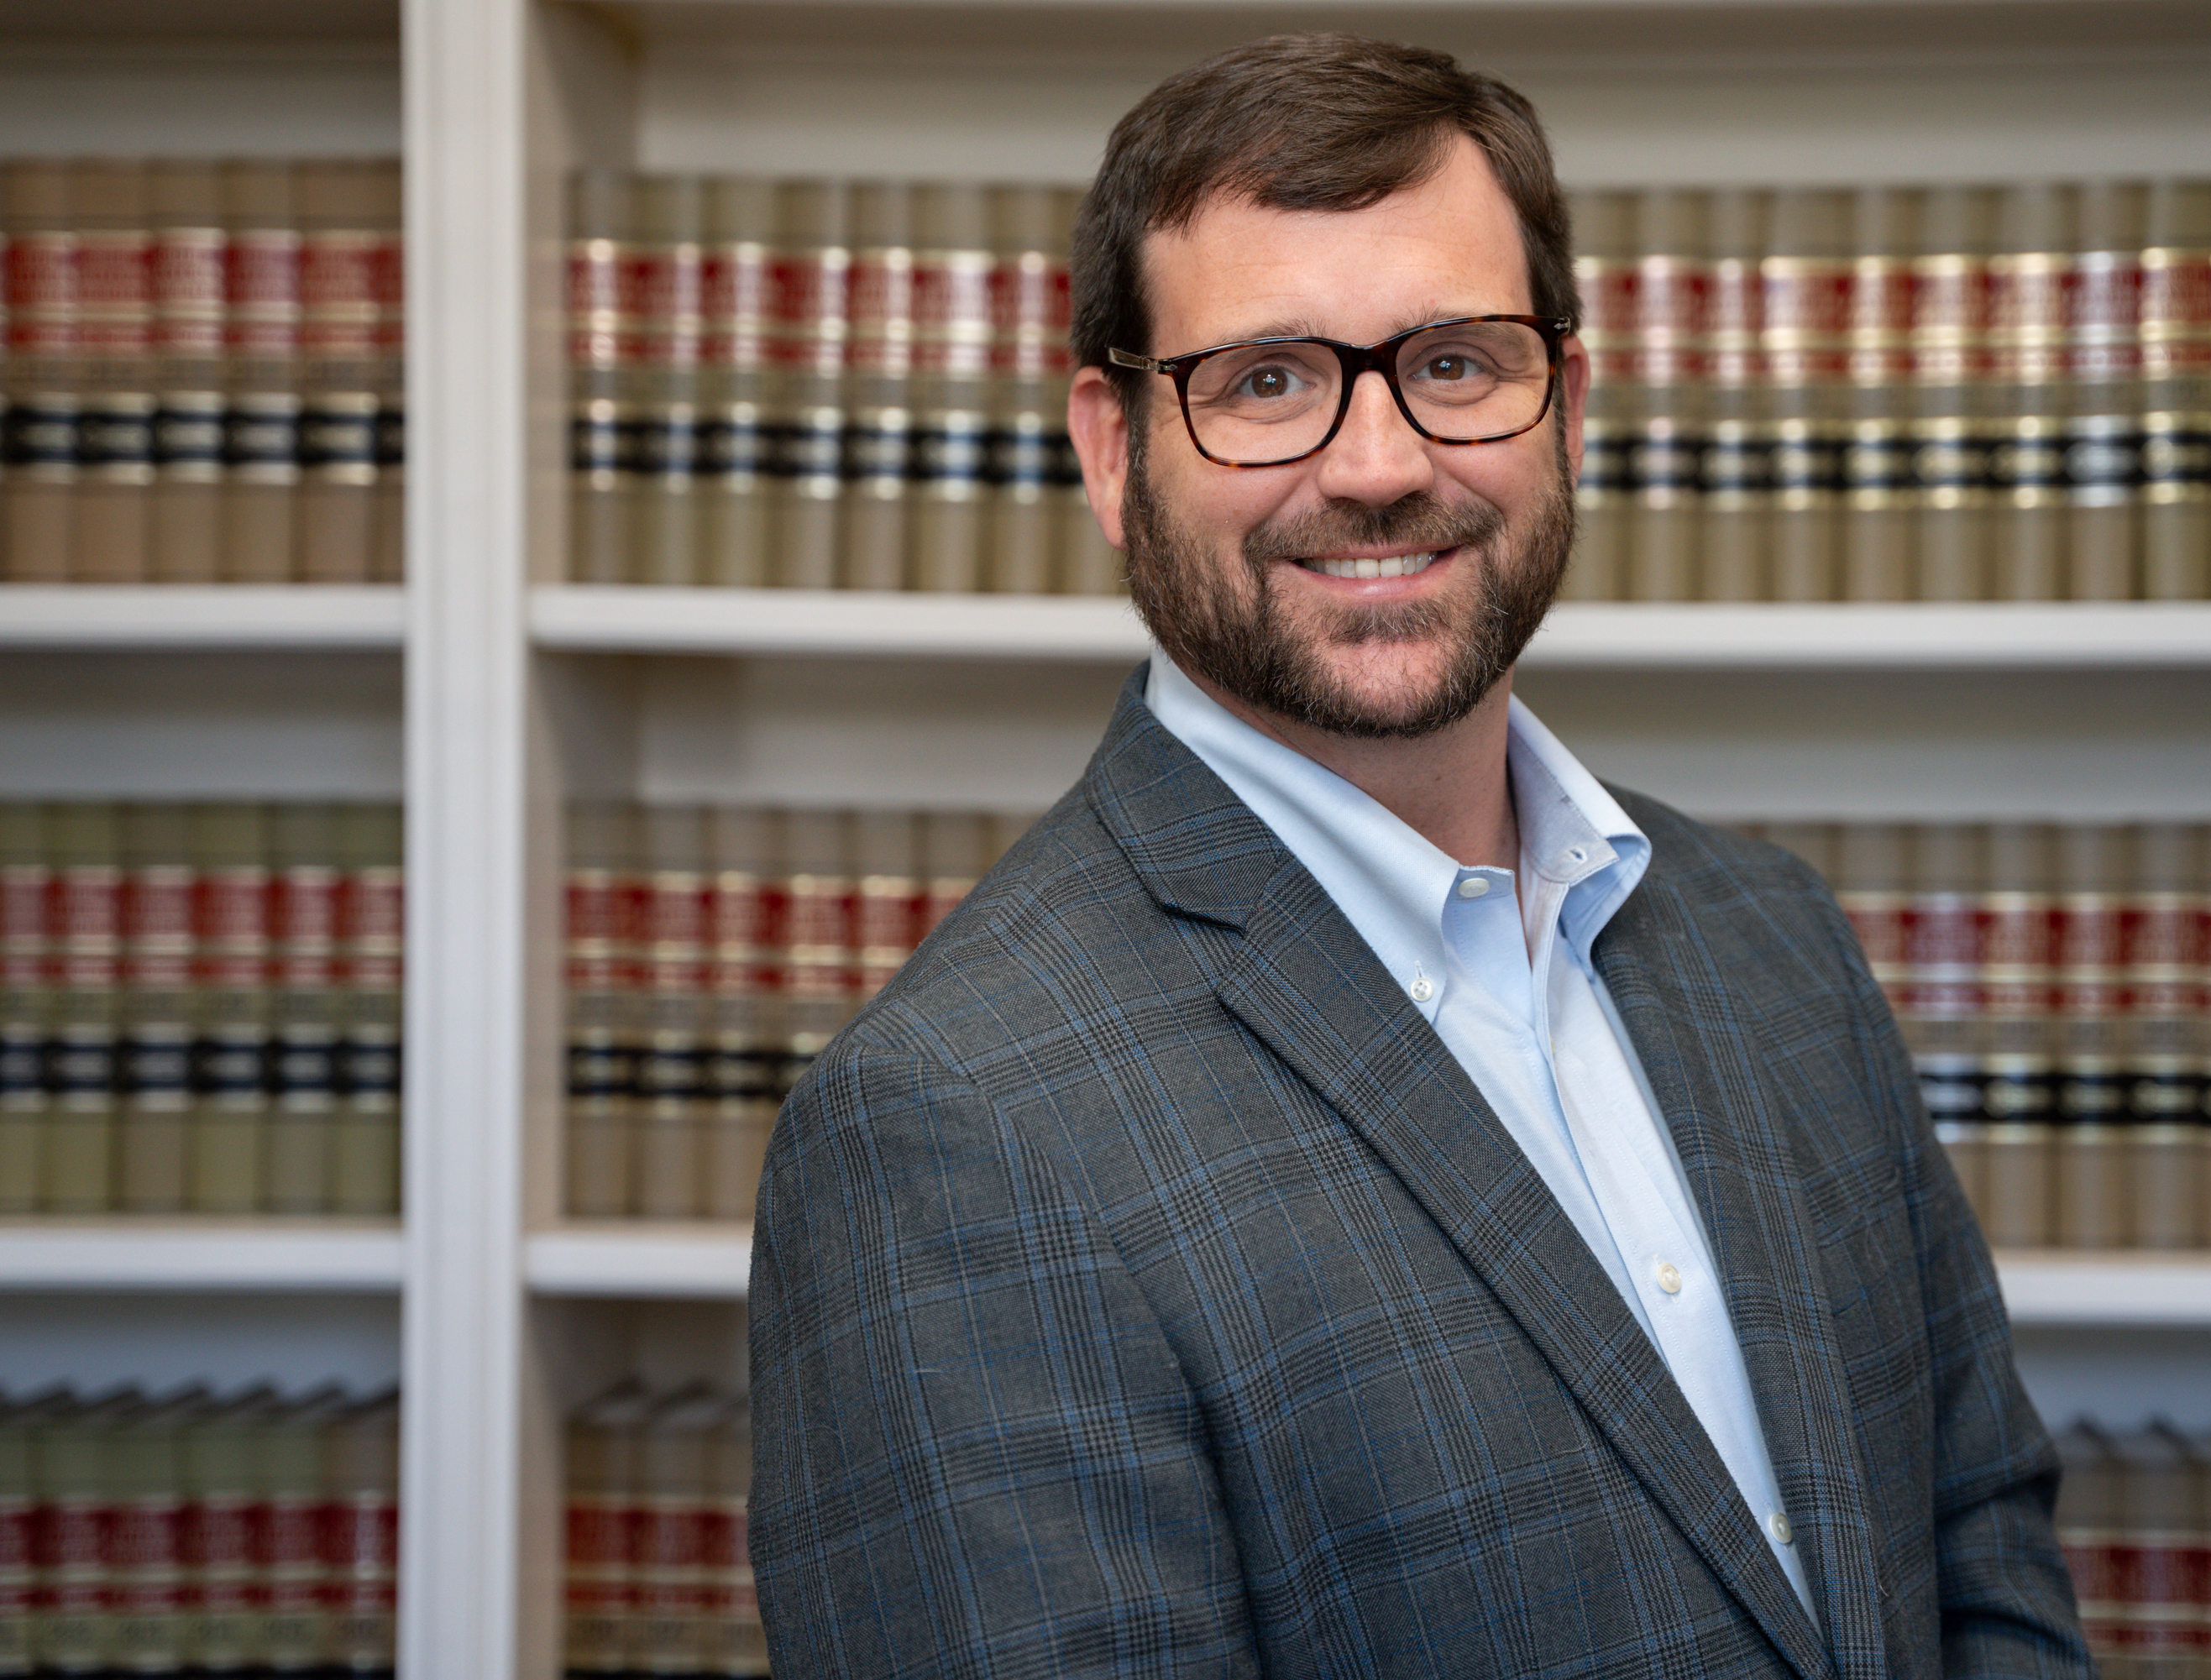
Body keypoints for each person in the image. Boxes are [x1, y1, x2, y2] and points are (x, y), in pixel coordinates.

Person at [750, 33, 2093, 1678]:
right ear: (1113, 452)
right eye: (1265, 380)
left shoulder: (1771, 936)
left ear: (1567, 403)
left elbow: (1986, 1555)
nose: (1380, 465)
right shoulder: (953, 1126)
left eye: (1453, 362)